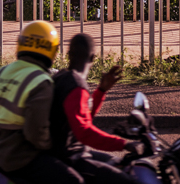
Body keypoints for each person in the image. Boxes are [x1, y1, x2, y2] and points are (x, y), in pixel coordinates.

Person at [0, 21, 82, 184]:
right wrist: (51, 146)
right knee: (74, 180)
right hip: (24, 157)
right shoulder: (40, 81)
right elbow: (35, 132)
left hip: (0, 151)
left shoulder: (2, 72)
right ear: (52, 49)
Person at [51, 34, 141, 184]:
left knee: (118, 163)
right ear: (93, 58)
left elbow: (81, 117)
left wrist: (101, 91)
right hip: (69, 157)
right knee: (126, 181)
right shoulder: (76, 86)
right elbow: (84, 132)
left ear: (68, 55)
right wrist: (124, 144)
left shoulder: (62, 77)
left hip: (67, 153)